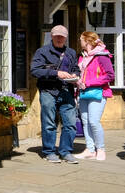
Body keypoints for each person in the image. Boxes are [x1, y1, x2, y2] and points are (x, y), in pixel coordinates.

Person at [31, 25, 80, 163]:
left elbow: (76, 68)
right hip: (48, 90)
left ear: (66, 38)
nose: (59, 39)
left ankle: (66, 151)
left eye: (62, 36)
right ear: (51, 36)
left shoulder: (70, 52)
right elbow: (35, 71)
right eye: (57, 36)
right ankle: (49, 151)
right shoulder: (42, 52)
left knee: (70, 124)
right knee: (49, 123)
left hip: (66, 91)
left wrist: (75, 76)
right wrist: (56, 73)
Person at [75, 31, 114, 160]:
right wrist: (77, 81)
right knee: (85, 122)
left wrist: (89, 83)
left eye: (81, 39)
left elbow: (110, 75)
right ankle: (90, 149)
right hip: (83, 92)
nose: (79, 41)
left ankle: (101, 149)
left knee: (93, 121)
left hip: (98, 92)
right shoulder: (82, 57)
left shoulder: (102, 56)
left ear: (87, 41)